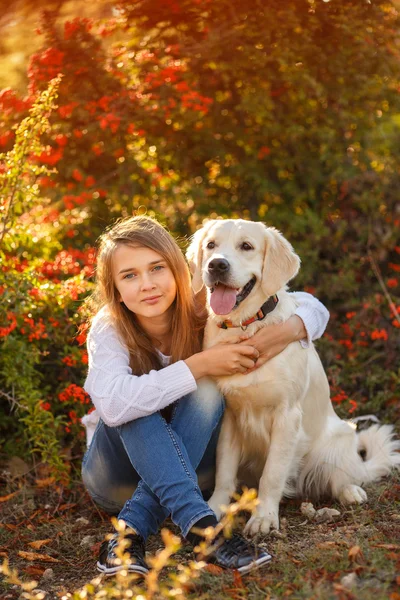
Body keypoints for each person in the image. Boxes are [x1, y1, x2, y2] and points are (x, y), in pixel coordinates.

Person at [81, 215, 329, 576]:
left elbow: (310, 305)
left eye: (157, 269)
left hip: (187, 466)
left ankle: (128, 535)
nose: (147, 285)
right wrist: (200, 363)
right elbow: (116, 406)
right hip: (114, 478)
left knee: (210, 392)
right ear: (114, 288)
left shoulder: (208, 306)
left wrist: (288, 330)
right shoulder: (109, 328)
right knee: (136, 407)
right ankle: (201, 527)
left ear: (181, 269)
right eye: (129, 276)